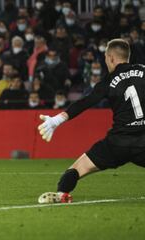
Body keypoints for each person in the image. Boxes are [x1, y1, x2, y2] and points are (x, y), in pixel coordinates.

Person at [37, 39, 145, 203]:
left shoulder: (108, 80)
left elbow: (85, 102)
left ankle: (62, 194)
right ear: (127, 56)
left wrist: (57, 120)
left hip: (117, 143)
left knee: (77, 169)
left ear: (110, 58)